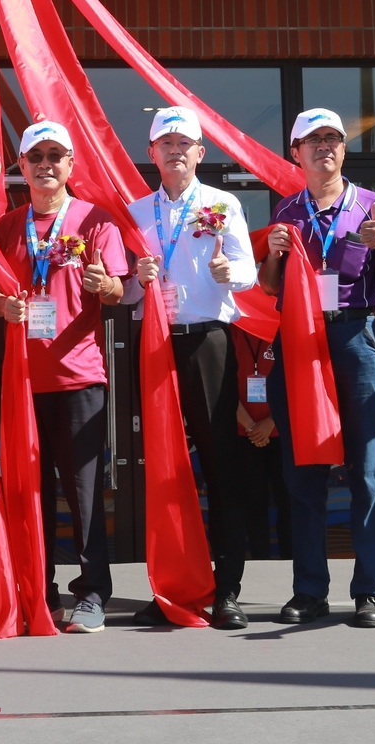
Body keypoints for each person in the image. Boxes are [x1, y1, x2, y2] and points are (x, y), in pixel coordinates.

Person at [259, 108, 375, 628]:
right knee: (304, 469)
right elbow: (270, 288)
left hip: (354, 334)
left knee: (368, 469)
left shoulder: (372, 205)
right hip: (301, 340)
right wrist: (274, 256)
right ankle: (309, 590)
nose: (324, 147)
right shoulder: (287, 209)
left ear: (344, 150)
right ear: (295, 151)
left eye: (333, 139)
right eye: (313, 140)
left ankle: (371, 590)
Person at [0, 121, 127, 634]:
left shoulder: (94, 221)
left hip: (79, 377)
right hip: (23, 381)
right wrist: (3, 306)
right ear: (22, 166)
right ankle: (37, 590)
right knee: (28, 492)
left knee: (84, 492)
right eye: (35, 156)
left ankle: (91, 594)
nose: (46, 165)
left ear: (71, 164)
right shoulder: (6, 226)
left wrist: (103, 281)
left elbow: (117, 291)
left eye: (56, 156)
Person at [120, 107, 258, 630]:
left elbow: (245, 272)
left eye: (186, 144)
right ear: (151, 153)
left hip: (208, 342)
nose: (176, 151)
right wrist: (137, 276)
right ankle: (173, 587)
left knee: (222, 467)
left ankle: (227, 590)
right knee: (163, 468)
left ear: (201, 153)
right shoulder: (134, 212)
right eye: (166, 143)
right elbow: (126, 291)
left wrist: (230, 270)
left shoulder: (223, 204)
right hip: (154, 345)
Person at [232, 328, 291, 560]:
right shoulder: (231, 330)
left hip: (281, 433)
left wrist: (272, 421)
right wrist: (249, 426)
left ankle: (292, 565)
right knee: (253, 505)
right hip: (243, 434)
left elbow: (297, 380)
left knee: (288, 503)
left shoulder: (279, 328)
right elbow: (222, 384)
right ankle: (260, 563)